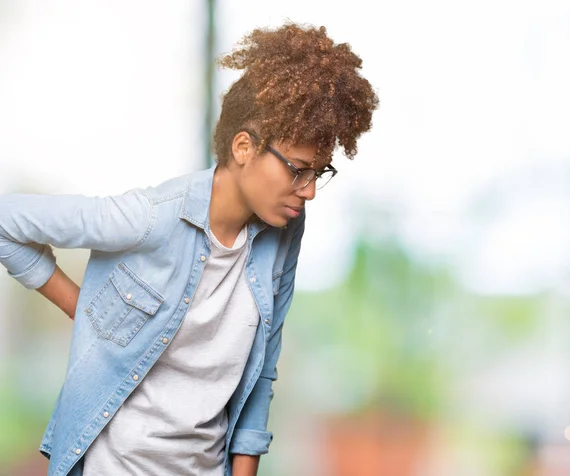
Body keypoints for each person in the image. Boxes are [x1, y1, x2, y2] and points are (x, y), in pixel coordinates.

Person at [0, 22, 378, 476]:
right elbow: (6, 221)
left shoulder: (283, 233)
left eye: (319, 172)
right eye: (298, 170)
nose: (310, 190)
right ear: (244, 147)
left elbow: (262, 372)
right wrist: (80, 308)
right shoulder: (150, 217)